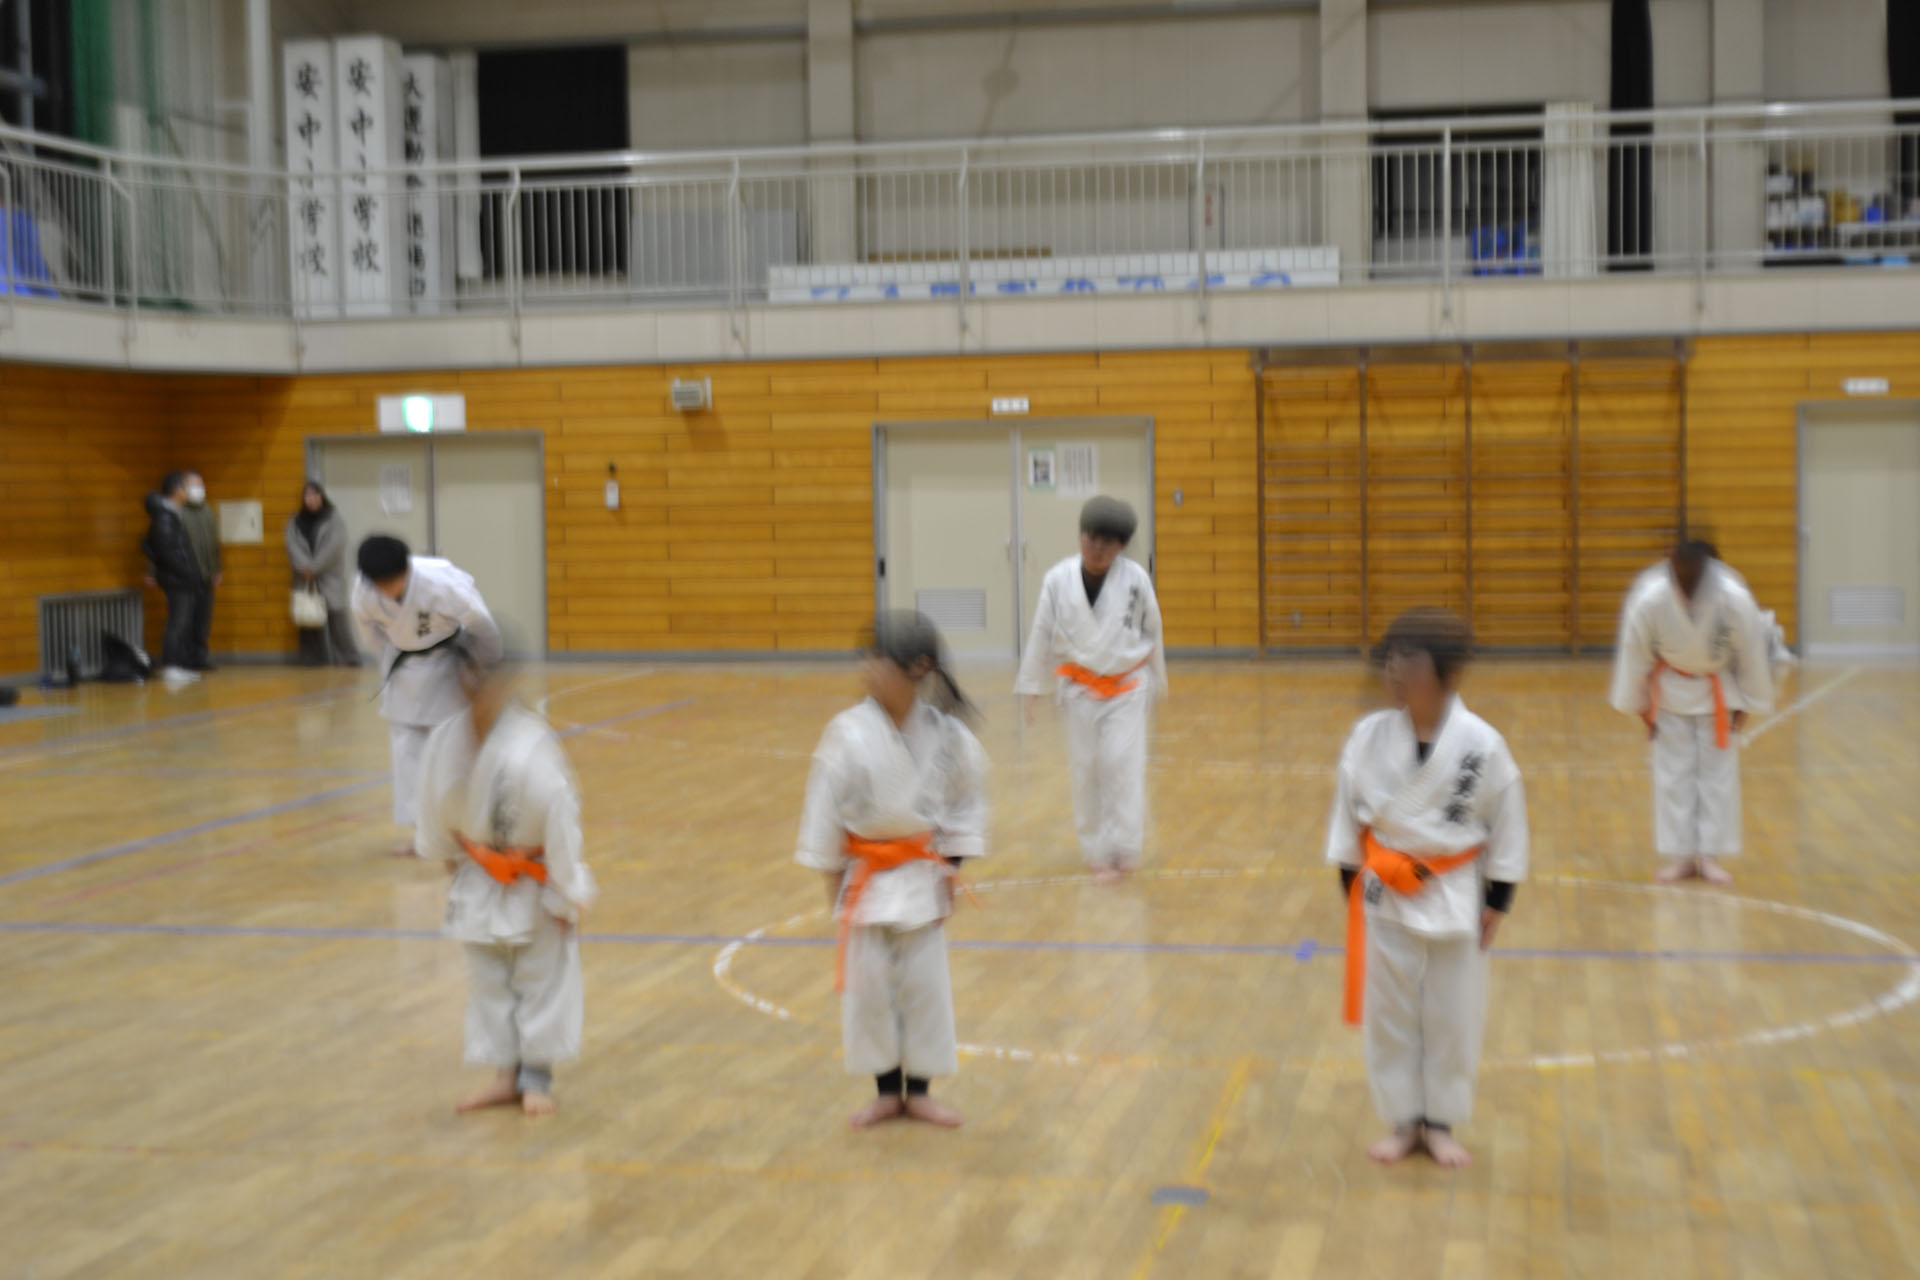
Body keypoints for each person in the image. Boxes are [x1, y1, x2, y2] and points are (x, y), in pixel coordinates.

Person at [1325, 607, 1528, 1169]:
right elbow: (1346, 817)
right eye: (1391, 661)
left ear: (1449, 674)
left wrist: (1498, 899)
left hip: (1456, 893)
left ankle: (1440, 1123)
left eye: (1409, 663)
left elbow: (1507, 821)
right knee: (1390, 1015)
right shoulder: (1367, 737)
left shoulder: (1482, 745)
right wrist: (1351, 882)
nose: (1395, 673)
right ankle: (1402, 1120)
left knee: (1452, 1014)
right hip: (1384, 892)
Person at [796, 612, 989, 1130]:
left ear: (917, 668)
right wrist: (832, 885)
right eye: (865, 658)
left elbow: (966, 803)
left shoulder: (948, 737)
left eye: (877, 659)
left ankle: (920, 1092)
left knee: (926, 988)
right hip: (866, 878)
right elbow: (823, 812)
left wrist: (950, 869)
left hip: (922, 877)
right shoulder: (846, 734)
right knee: (870, 993)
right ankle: (885, 1091)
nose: (866, 668)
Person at [415, 652, 595, 1117]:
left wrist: (567, 892)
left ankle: (536, 1079)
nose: (475, 689)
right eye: (466, 678)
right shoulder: (446, 742)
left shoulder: (532, 745)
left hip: (535, 880)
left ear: (504, 683)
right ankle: (504, 1075)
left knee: (541, 979)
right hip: (477, 875)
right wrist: (453, 867)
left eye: (484, 679)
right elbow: (435, 813)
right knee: (488, 983)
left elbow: (561, 815)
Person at [1014, 496, 1167, 882]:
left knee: (1121, 764)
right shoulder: (1057, 579)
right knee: (1085, 770)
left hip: (1127, 687)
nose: (1096, 548)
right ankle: (1097, 850)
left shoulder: (1136, 580)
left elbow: (1152, 630)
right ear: (1080, 535)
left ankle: (1125, 847)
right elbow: (1041, 631)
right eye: (1090, 538)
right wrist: (1032, 685)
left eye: (1107, 542)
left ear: (1121, 546)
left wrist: (1158, 679)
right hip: (1079, 688)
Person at [1609, 538, 1775, 886]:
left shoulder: (1733, 597)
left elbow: (1750, 652)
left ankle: (1710, 857)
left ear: (1709, 572)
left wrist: (1746, 703)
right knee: (1673, 776)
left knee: (1717, 776)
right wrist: (1640, 704)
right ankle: (1682, 857)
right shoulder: (1650, 597)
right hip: (1670, 692)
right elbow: (1635, 652)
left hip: (1719, 692)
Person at [352, 536, 502, 857]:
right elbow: (373, 638)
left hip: (448, 666)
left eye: (392, 582)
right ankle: (422, 835)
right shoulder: (362, 594)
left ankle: (470, 830)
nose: (386, 591)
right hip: (403, 671)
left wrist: (487, 668)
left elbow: (481, 623)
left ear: (406, 569)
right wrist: (389, 666)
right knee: (406, 755)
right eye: (379, 585)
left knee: (454, 752)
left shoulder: (440, 583)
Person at [141, 473, 205, 690]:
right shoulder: (164, 517)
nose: (188, 492)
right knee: (176, 622)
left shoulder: (172, 513)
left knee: (183, 621)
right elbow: (167, 552)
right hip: (176, 579)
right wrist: (188, 572)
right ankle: (170, 666)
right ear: (177, 491)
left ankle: (179, 664)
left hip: (181, 578)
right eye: (186, 487)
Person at [285, 482, 361, 667]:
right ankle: (312, 659)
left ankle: (348, 658)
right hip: (304, 578)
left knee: (337, 620)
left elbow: (334, 546)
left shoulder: (333, 519)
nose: (311, 499)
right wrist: (304, 567)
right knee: (308, 619)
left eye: (315, 495)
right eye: (308, 496)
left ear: (321, 497)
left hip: (329, 577)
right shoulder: (295, 521)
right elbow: (291, 545)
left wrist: (314, 567)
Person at [179, 471, 222, 672]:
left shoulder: (207, 512)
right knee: (186, 618)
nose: (199, 489)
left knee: (203, 619)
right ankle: (185, 658)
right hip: (186, 576)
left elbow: (214, 544)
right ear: (184, 488)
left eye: (200, 484)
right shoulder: (179, 512)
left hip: (207, 576)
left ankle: (200, 657)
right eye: (194, 485)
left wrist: (216, 570)